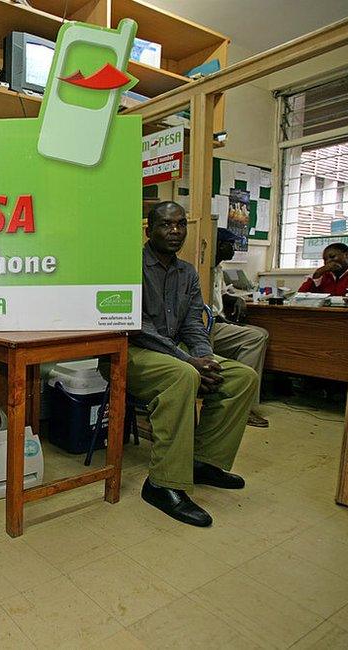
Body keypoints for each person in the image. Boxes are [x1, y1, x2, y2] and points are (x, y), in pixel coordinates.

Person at [129, 202, 258, 527]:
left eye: (180, 225)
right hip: (131, 354)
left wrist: (206, 357)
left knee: (242, 377)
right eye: (166, 225)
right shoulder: (129, 266)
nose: (175, 231)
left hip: (176, 353)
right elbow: (139, 327)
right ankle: (162, 483)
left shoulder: (187, 272)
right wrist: (189, 360)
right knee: (183, 375)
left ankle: (202, 461)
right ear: (149, 230)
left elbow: (192, 324)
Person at [211, 228, 270, 428]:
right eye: (231, 245)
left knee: (262, 333)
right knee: (254, 338)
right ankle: (243, 407)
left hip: (219, 321)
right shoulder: (201, 266)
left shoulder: (219, 269)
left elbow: (222, 294)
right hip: (207, 326)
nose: (234, 250)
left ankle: (243, 397)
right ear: (219, 245)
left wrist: (234, 298)